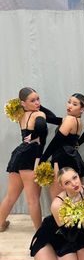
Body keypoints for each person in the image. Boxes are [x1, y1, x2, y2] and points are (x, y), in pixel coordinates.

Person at [30, 167, 84, 260]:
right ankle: (47, 257)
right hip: (50, 237)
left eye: (75, 178)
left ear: (79, 176)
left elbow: (74, 233)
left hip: (67, 239)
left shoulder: (83, 190)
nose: (74, 183)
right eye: (67, 182)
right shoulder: (57, 204)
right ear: (62, 186)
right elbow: (71, 233)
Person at [0, 87, 48, 231]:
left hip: (19, 154)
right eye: (33, 100)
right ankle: (39, 232)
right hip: (31, 158)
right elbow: (41, 132)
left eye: (38, 99)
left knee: (10, 196)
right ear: (23, 103)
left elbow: (31, 135)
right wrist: (38, 159)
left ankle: (1, 224)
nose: (37, 103)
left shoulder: (21, 115)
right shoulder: (39, 115)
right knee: (33, 199)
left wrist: (32, 137)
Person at [39, 93, 84, 199]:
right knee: (75, 197)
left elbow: (55, 142)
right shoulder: (77, 120)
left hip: (62, 157)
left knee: (58, 198)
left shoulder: (70, 120)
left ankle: (58, 216)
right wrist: (39, 107)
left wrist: (42, 159)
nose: (70, 106)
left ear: (82, 109)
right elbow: (52, 118)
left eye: (74, 104)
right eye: (69, 102)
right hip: (73, 158)